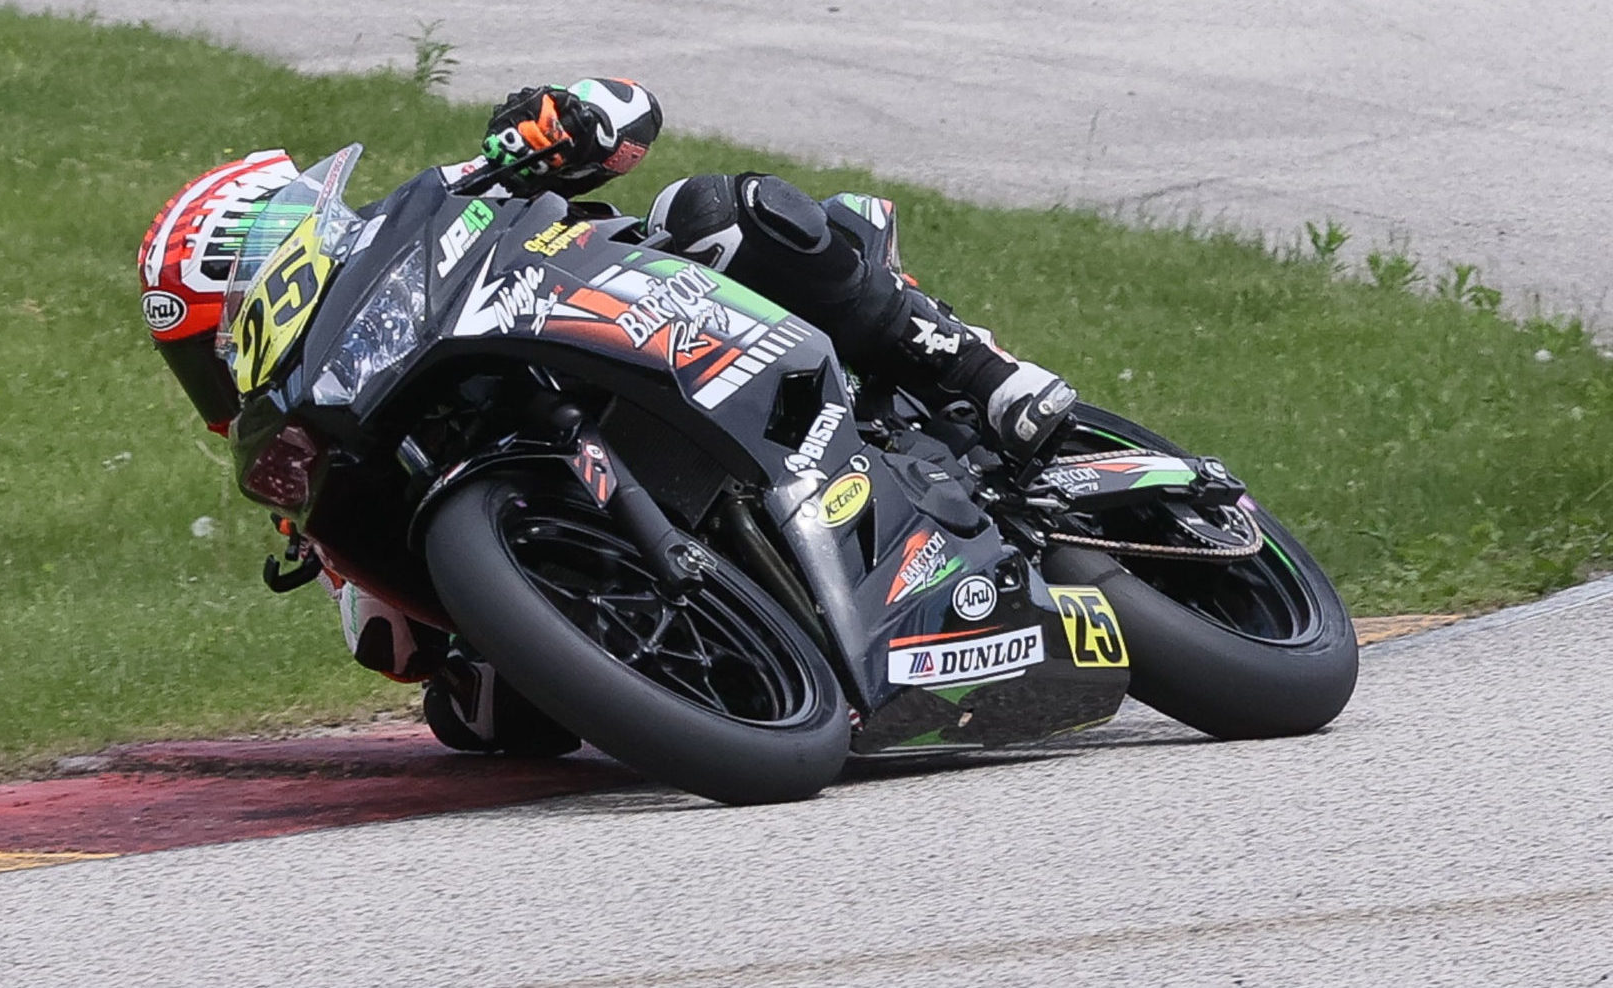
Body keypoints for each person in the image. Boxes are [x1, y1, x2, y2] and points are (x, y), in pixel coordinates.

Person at [137, 78, 1076, 752]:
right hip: (609, 562)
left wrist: (556, 125)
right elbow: (401, 655)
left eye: (222, 337)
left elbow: (629, 111)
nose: (224, 373)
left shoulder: (415, 223)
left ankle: (988, 373)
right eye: (201, 365)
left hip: (640, 315)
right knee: (490, 722)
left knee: (721, 211)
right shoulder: (313, 467)